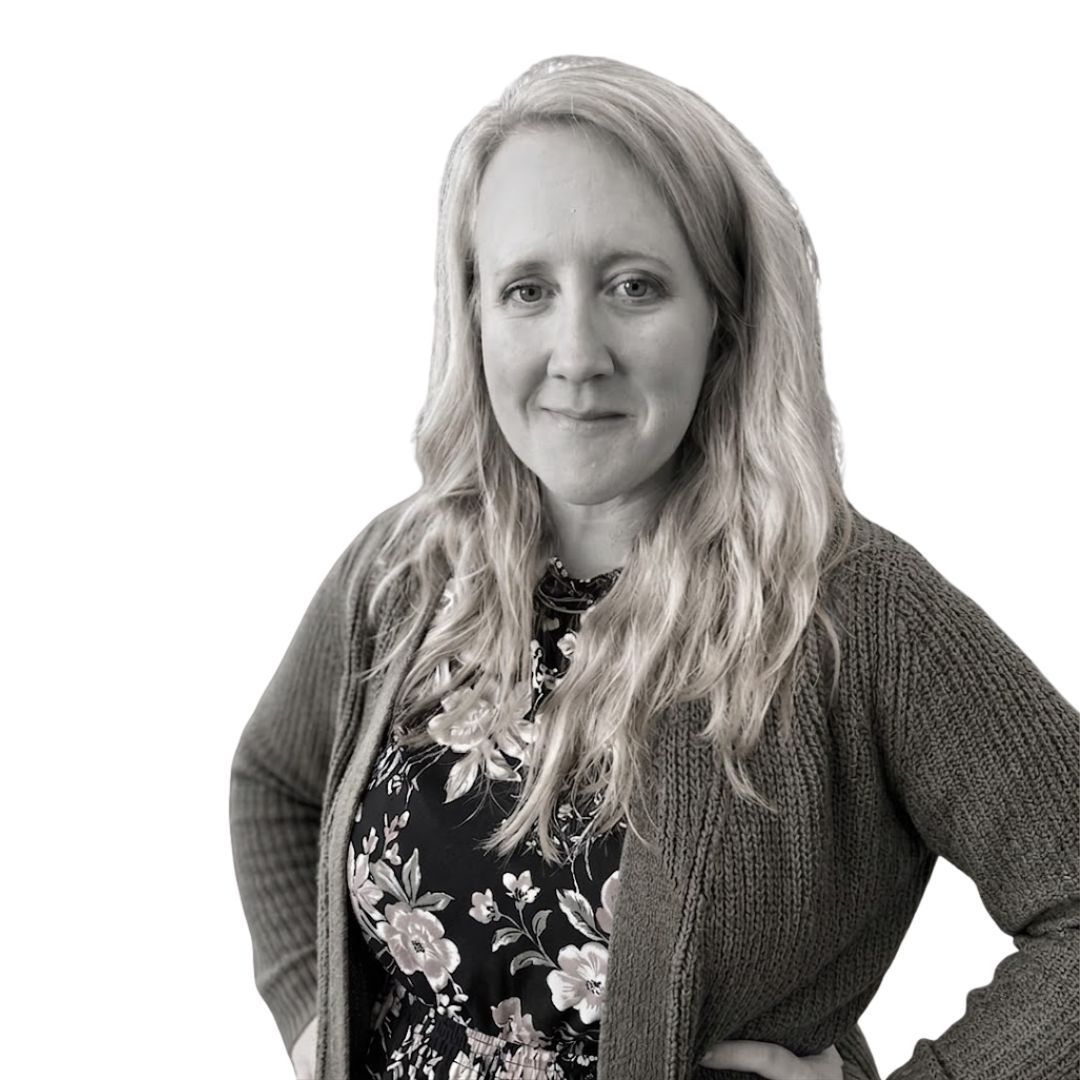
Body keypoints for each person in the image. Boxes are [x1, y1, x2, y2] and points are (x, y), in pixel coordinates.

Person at [229, 54, 1078, 1080]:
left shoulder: (849, 611)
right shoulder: (407, 573)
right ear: (476, 315)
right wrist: (316, 1020)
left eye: (634, 286)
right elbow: (274, 784)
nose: (577, 351)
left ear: (723, 314)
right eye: (528, 289)